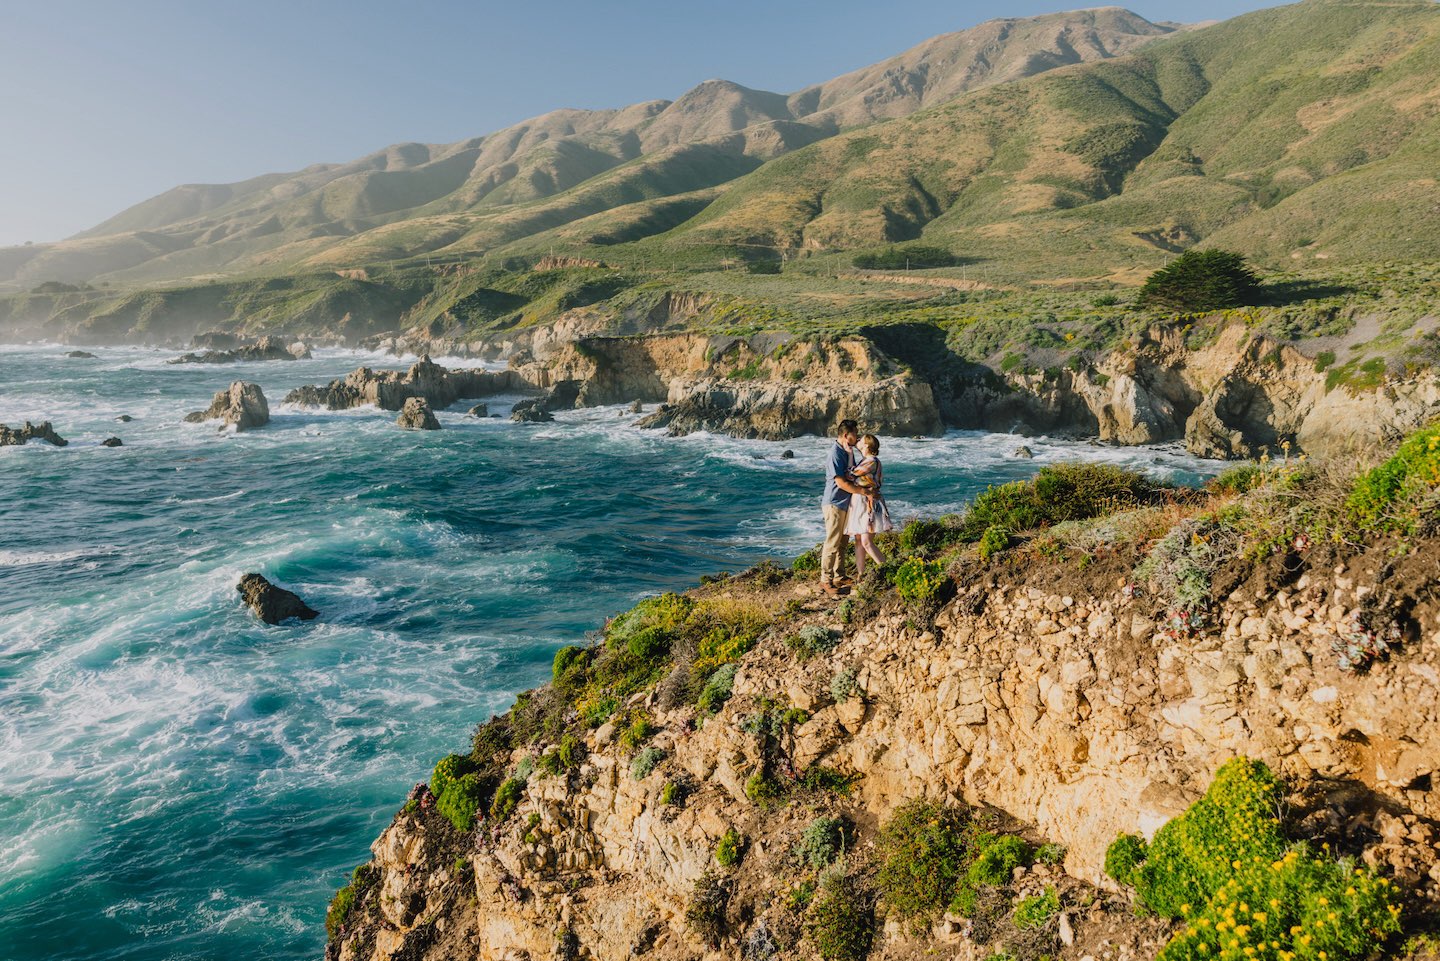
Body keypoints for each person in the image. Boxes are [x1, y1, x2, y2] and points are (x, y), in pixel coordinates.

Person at [820, 419, 873, 597]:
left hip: (845, 502)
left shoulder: (847, 451)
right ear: (845, 435)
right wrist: (863, 491)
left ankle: (839, 575)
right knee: (833, 542)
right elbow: (841, 482)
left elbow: (852, 474)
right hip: (834, 502)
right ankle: (825, 580)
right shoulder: (835, 453)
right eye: (855, 434)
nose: (857, 437)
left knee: (843, 542)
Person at [845, 434, 893, 579]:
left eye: (860, 440)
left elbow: (851, 474)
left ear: (867, 445)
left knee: (866, 541)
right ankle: (860, 575)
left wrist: (848, 453)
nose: (857, 441)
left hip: (869, 503)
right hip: (861, 501)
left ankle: (888, 571)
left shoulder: (871, 461)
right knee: (859, 540)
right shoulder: (865, 461)